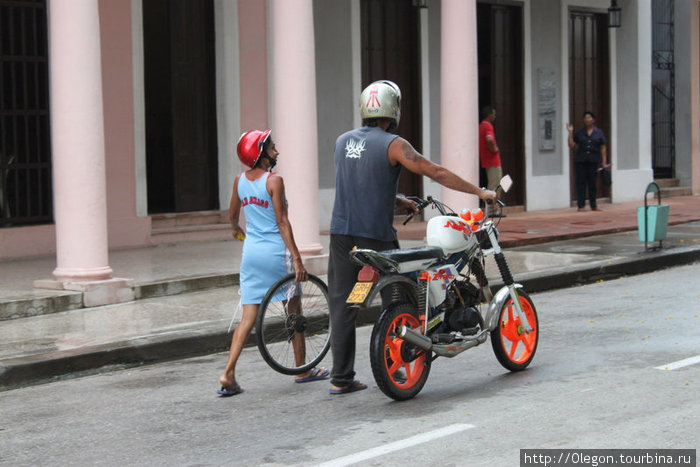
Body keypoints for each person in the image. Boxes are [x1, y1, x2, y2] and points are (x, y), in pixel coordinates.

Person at [327, 80, 497, 395]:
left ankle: (341, 377)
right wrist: (479, 191)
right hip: (376, 238)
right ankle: (405, 365)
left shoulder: (341, 142)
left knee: (342, 304)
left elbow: (361, 186)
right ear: (393, 110)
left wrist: (400, 200)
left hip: (341, 235)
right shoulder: (394, 144)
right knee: (401, 301)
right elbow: (435, 172)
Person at [217, 129, 328, 396]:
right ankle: (302, 369)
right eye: (272, 148)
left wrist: (236, 231)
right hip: (277, 254)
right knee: (294, 309)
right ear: (260, 154)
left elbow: (232, 216)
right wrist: (298, 260)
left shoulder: (239, 181)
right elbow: (282, 222)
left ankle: (228, 373)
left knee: (248, 316)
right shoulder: (274, 181)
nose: (276, 151)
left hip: (252, 254)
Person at [567, 111, 610, 212]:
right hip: (581, 161)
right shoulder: (580, 133)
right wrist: (570, 133)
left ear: (593, 120)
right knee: (581, 183)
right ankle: (581, 205)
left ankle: (593, 205)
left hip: (593, 161)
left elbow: (603, 147)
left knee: (592, 183)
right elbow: (572, 145)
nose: (587, 120)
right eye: (585, 118)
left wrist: (604, 161)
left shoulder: (599, 133)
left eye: (589, 117)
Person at [479, 106, 502, 192]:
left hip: (486, 160)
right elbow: (489, 139)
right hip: (493, 160)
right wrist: (494, 149)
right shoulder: (488, 126)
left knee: (492, 183)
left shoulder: (481, 126)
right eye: (493, 114)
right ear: (489, 115)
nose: (494, 116)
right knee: (495, 185)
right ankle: (493, 205)